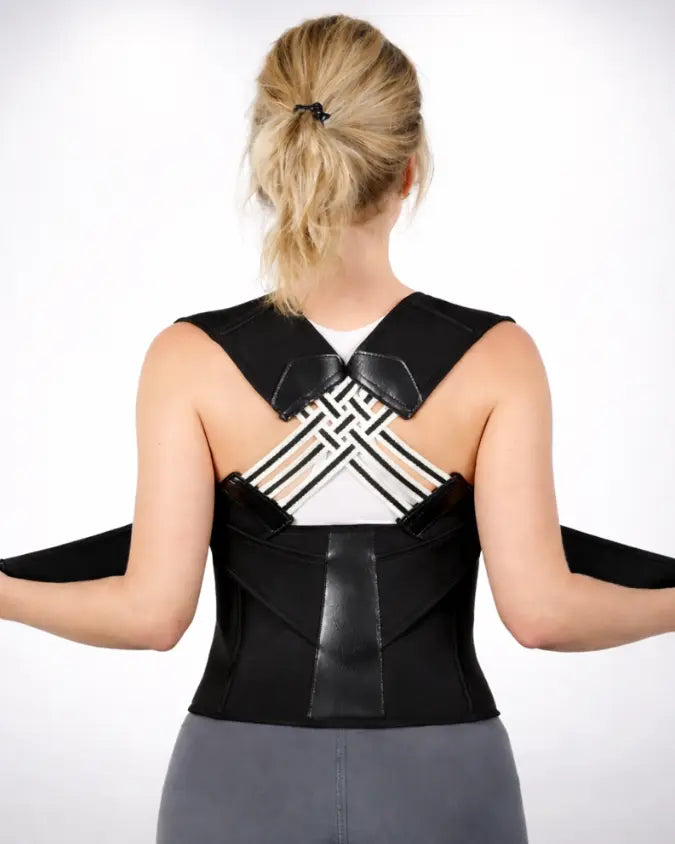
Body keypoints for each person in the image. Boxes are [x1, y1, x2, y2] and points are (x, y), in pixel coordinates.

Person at [2, 13, 675, 844]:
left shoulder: (189, 359)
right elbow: (542, 612)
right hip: (444, 775)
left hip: (236, 775)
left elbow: (150, 613)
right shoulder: (496, 358)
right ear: (409, 171)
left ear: (271, 168)